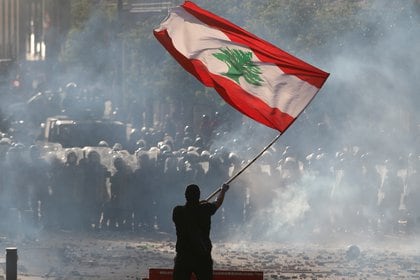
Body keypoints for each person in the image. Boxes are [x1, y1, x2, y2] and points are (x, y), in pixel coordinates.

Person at [172, 183, 229, 280]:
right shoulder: (205, 209)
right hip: (202, 255)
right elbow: (217, 202)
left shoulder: (178, 211)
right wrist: (223, 191)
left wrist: (200, 204)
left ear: (185, 195)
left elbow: (192, 210)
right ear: (198, 195)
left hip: (183, 256)